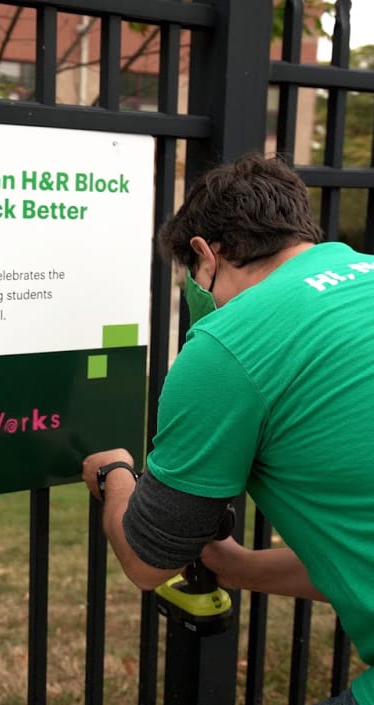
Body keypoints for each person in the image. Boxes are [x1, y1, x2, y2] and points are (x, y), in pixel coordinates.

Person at [80, 153, 374, 705]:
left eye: (192, 278)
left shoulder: (228, 343)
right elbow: (356, 555)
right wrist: (236, 566)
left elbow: (148, 562)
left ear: (204, 254)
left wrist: (117, 474)